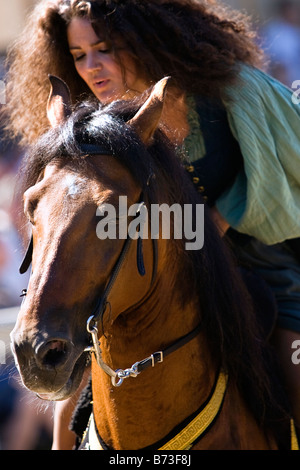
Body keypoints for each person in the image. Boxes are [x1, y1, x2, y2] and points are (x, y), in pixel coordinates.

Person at [3, 0, 300, 448]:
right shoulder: (94, 125)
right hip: (153, 276)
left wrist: (218, 217)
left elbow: (282, 167)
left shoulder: (232, 91)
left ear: (144, 37)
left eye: (104, 47)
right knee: (71, 401)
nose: (92, 66)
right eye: (80, 55)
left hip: (256, 257)